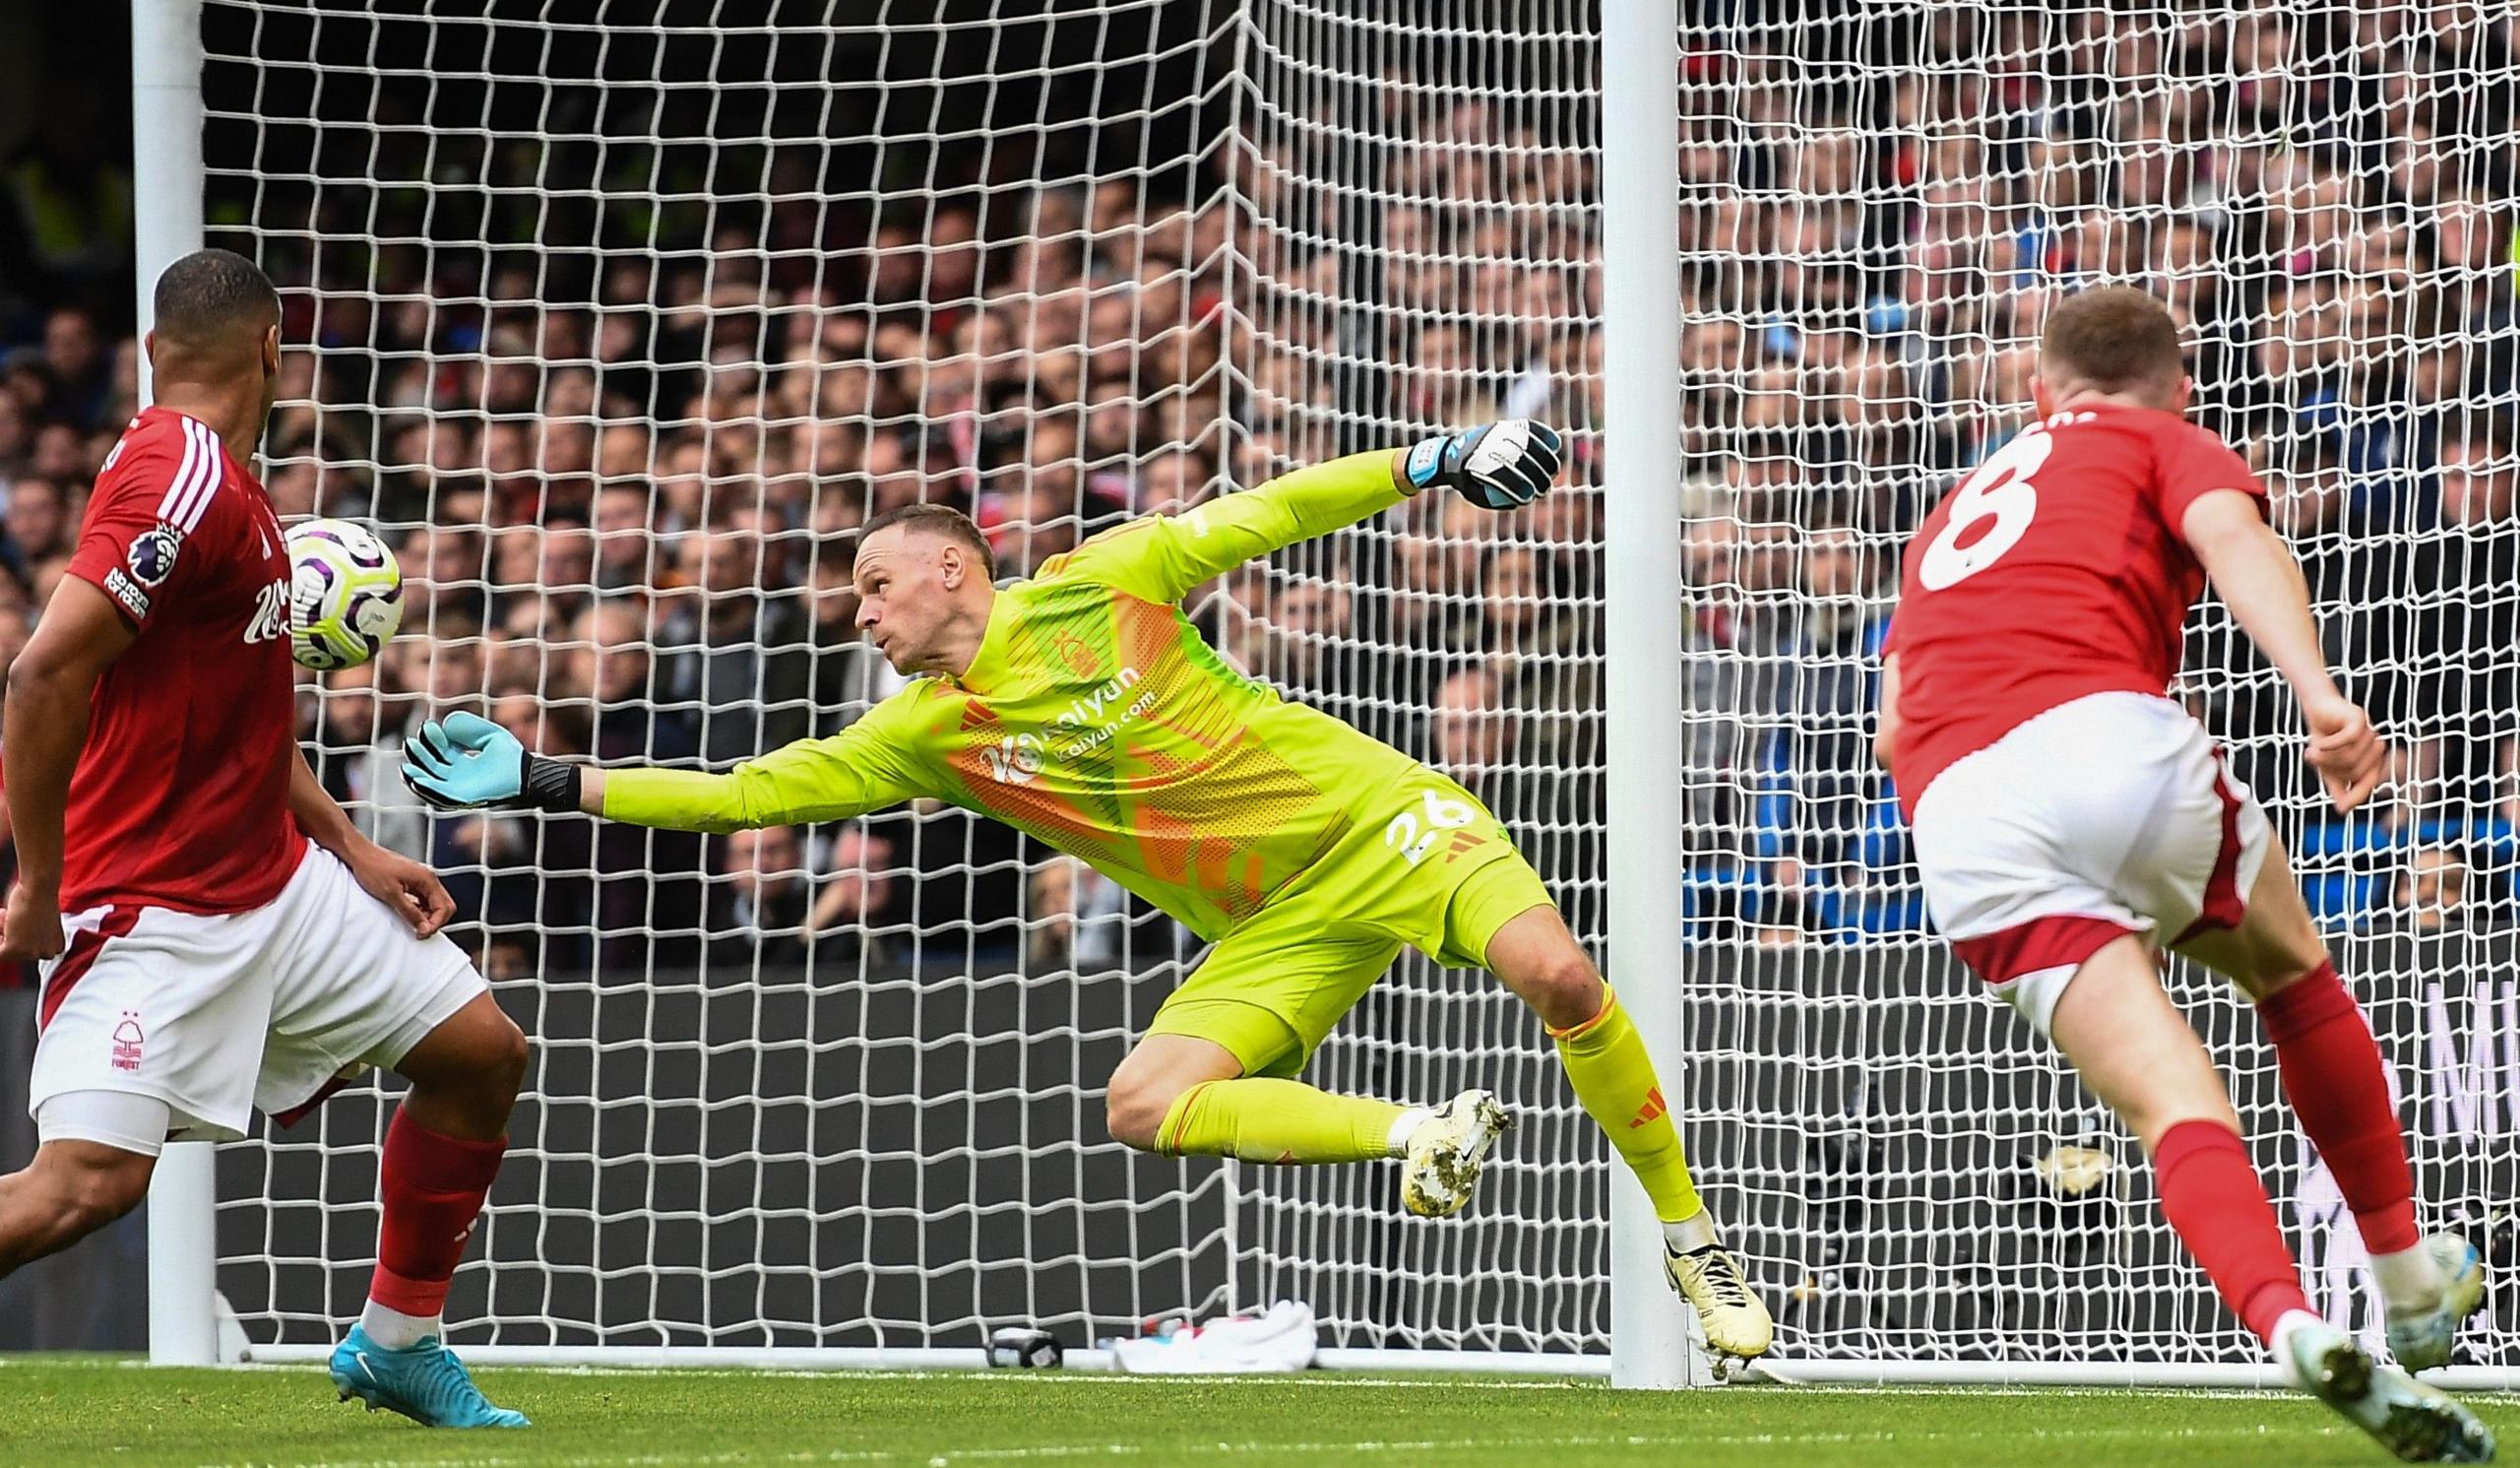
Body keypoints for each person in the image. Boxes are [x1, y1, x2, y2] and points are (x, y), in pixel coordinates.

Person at [405, 418, 1776, 1365]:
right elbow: (750, 794)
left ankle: (1691, 1239)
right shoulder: (922, 731)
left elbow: (1270, 511)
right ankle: (1415, 1130)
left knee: (1562, 976)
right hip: (1278, 923)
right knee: (1141, 1099)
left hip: (1382, 820)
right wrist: (546, 779)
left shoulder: (1099, 584)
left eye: (878, 585)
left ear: (955, 565)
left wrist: (1431, 462)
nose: (863, 613)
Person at [1876, 286, 2489, 1461]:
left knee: (2170, 1102)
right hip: (2101, 735)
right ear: (2181, 387)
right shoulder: (2163, 439)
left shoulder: (1954, 507)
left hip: (1958, 811)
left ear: (2037, 389)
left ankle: (2290, 1325)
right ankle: (2408, 1282)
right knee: (2290, 970)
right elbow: (2233, 538)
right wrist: (2319, 696)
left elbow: (1893, 729)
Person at [0, 251, 531, 1430]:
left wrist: (349, 842)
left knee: (480, 1050)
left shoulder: (223, 485)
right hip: (153, 903)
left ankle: (398, 1342)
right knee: (79, 1190)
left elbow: (236, 705)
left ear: (153, 351)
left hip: (278, 884)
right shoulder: (176, 475)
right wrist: (37, 885)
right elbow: (41, 674)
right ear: (275, 350)